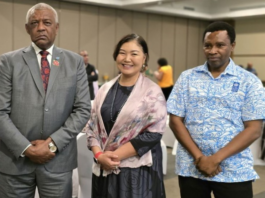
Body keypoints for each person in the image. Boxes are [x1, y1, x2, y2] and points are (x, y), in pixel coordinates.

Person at [0, 3, 90, 198]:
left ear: (56, 28)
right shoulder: (8, 62)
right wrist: (26, 148)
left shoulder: (74, 62)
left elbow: (82, 110)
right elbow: (0, 112)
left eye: (47, 22)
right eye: (34, 22)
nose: (41, 27)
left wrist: (51, 145)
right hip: (15, 162)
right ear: (27, 28)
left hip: (58, 161)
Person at [167, 21, 265, 198]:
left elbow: (254, 129)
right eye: (208, 45)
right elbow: (175, 120)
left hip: (234, 170)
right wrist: (199, 158)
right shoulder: (187, 77)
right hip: (192, 167)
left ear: (232, 46)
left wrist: (215, 159)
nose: (212, 51)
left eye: (220, 45)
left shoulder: (249, 81)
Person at [84, 33, 167, 198]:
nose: (127, 58)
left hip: (136, 170)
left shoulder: (152, 92)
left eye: (134, 54)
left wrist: (113, 157)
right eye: (122, 53)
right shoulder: (105, 89)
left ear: (144, 58)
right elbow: (92, 126)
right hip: (103, 165)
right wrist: (99, 155)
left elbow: (153, 133)